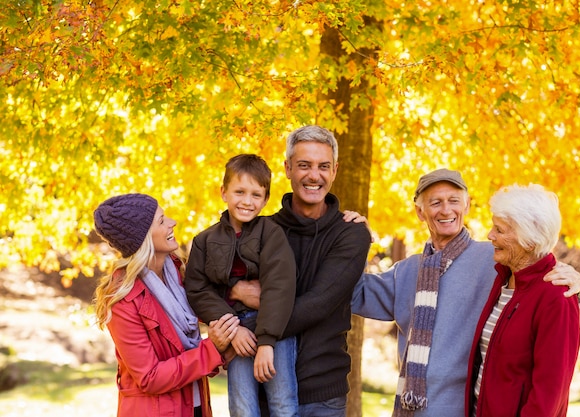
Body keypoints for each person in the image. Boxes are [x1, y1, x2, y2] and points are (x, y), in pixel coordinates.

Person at [350, 169, 580, 417]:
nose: (446, 210)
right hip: (415, 409)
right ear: (421, 212)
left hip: (466, 409)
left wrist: (579, 285)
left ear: (467, 205)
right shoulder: (406, 272)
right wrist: (355, 242)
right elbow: (353, 295)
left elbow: (540, 270)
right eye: (435, 202)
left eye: (454, 201)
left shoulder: (495, 259)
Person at [223, 125, 372, 416]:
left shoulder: (351, 234)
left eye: (323, 166)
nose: (314, 175)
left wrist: (243, 331)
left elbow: (318, 303)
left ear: (335, 170)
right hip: (264, 386)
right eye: (304, 165)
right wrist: (233, 288)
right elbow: (212, 273)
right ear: (288, 168)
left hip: (322, 396)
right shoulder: (258, 229)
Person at [92, 193, 239, 417]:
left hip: (195, 405)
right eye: (161, 221)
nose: (173, 222)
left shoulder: (177, 271)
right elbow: (150, 377)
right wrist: (212, 349)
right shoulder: (123, 300)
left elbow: (208, 306)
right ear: (143, 239)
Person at [185, 154, 298, 417]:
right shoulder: (204, 240)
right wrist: (232, 329)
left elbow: (279, 285)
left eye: (256, 195)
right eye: (239, 192)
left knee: (283, 405)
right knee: (242, 408)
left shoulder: (271, 233)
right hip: (235, 331)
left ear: (266, 199)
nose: (247, 201)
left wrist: (268, 342)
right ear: (223, 192)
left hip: (274, 329)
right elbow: (197, 289)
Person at [465, 184, 580, 416]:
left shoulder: (556, 296)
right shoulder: (502, 278)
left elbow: (549, 395)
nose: (490, 235)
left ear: (528, 240)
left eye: (500, 229)